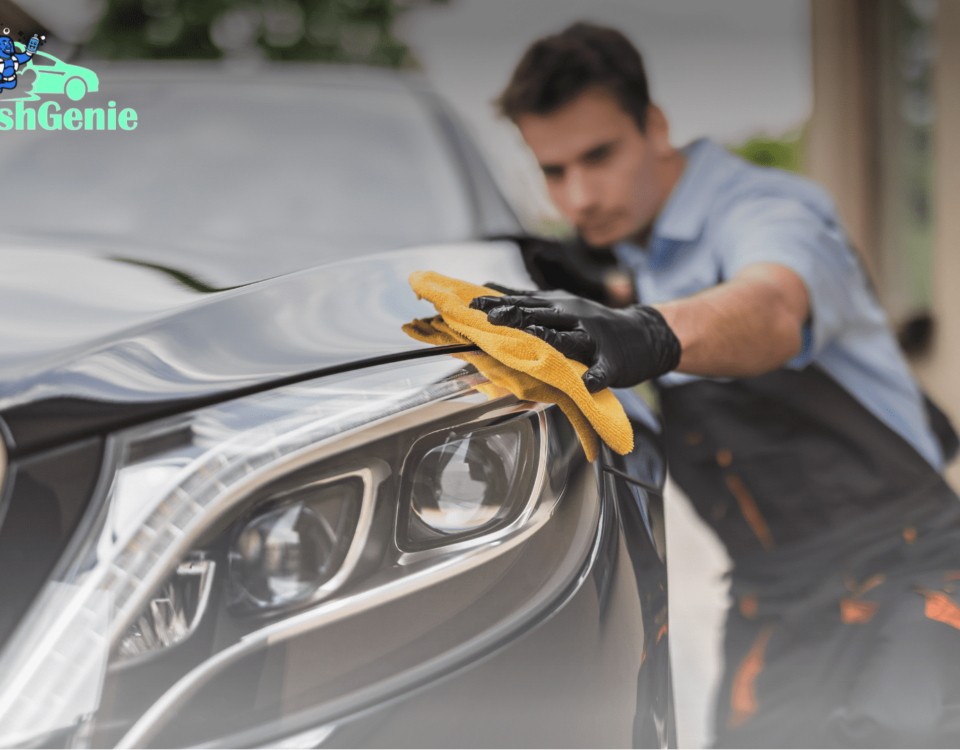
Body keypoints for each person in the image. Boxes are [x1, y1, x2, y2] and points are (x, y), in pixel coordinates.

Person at [471, 21, 960, 749]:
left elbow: (772, 306)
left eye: (599, 156)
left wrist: (646, 333)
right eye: (554, 171)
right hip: (774, 597)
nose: (580, 196)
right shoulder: (625, 255)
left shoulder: (765, 209)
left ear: (655, 126)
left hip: (907, 566)